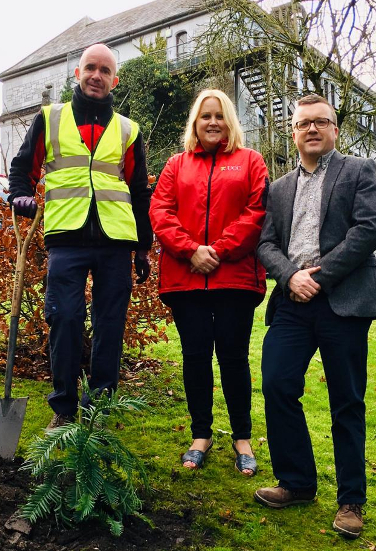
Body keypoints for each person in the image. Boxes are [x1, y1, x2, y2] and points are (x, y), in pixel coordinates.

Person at [254, 94, 376, 539]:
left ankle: (351, 500)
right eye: (303, 124)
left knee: (346, 400)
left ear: (335, 129)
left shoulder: (358, 171)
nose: (311, 129)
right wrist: (292, 277)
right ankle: (297, 483)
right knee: (276, 382)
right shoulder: (278, 189)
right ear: (293, 133)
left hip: (343, 300)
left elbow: (368, 229)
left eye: (321, 122)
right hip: (293, 302)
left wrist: (320, 276)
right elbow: (265, 244)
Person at [8, 43, 152, 429]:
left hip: (116, 241)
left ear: (114, 80)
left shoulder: (128, 130)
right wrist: (21, 194)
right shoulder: (50, 119)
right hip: (66, 238)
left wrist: (143, 249)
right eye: (91, 67)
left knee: (109, 325)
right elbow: (23, 168)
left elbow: (140, 192)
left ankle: (99, 408)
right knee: (65, 318)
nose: (96, 76)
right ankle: (65, 408)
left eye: (105, 71)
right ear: (77, 73)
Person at [149, 89, 269, 475]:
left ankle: (242, 437)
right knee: (195, 357)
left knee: (233, 358)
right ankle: (200, 434)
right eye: (205, 116)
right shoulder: (175, 165)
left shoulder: (251, 162)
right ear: (195, 124)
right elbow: (161, 211)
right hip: (186, 281)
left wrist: (215, 250)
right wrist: (190, 250)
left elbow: (256, 212)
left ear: (230, 121)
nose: (213, 122)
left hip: (233, 279)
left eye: (219, 116)